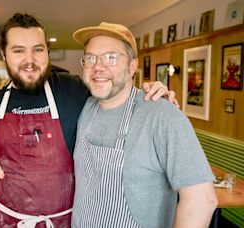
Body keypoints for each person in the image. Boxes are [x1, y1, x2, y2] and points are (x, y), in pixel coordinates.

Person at [0, 13, 174, 228]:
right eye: (18, 51)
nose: (30, 60)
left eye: (38, 49)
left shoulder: (74, 89)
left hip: (65, 222)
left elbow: (114, 90)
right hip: (5, 221)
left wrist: (149, 92)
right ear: (4, 55)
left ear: (47, 51)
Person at [70, 22, 217, 227]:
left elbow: (202, 199)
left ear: (132, 66)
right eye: (90, 58)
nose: (98, 67)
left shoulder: (162, 114)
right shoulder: (85, 106)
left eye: (111, 57)